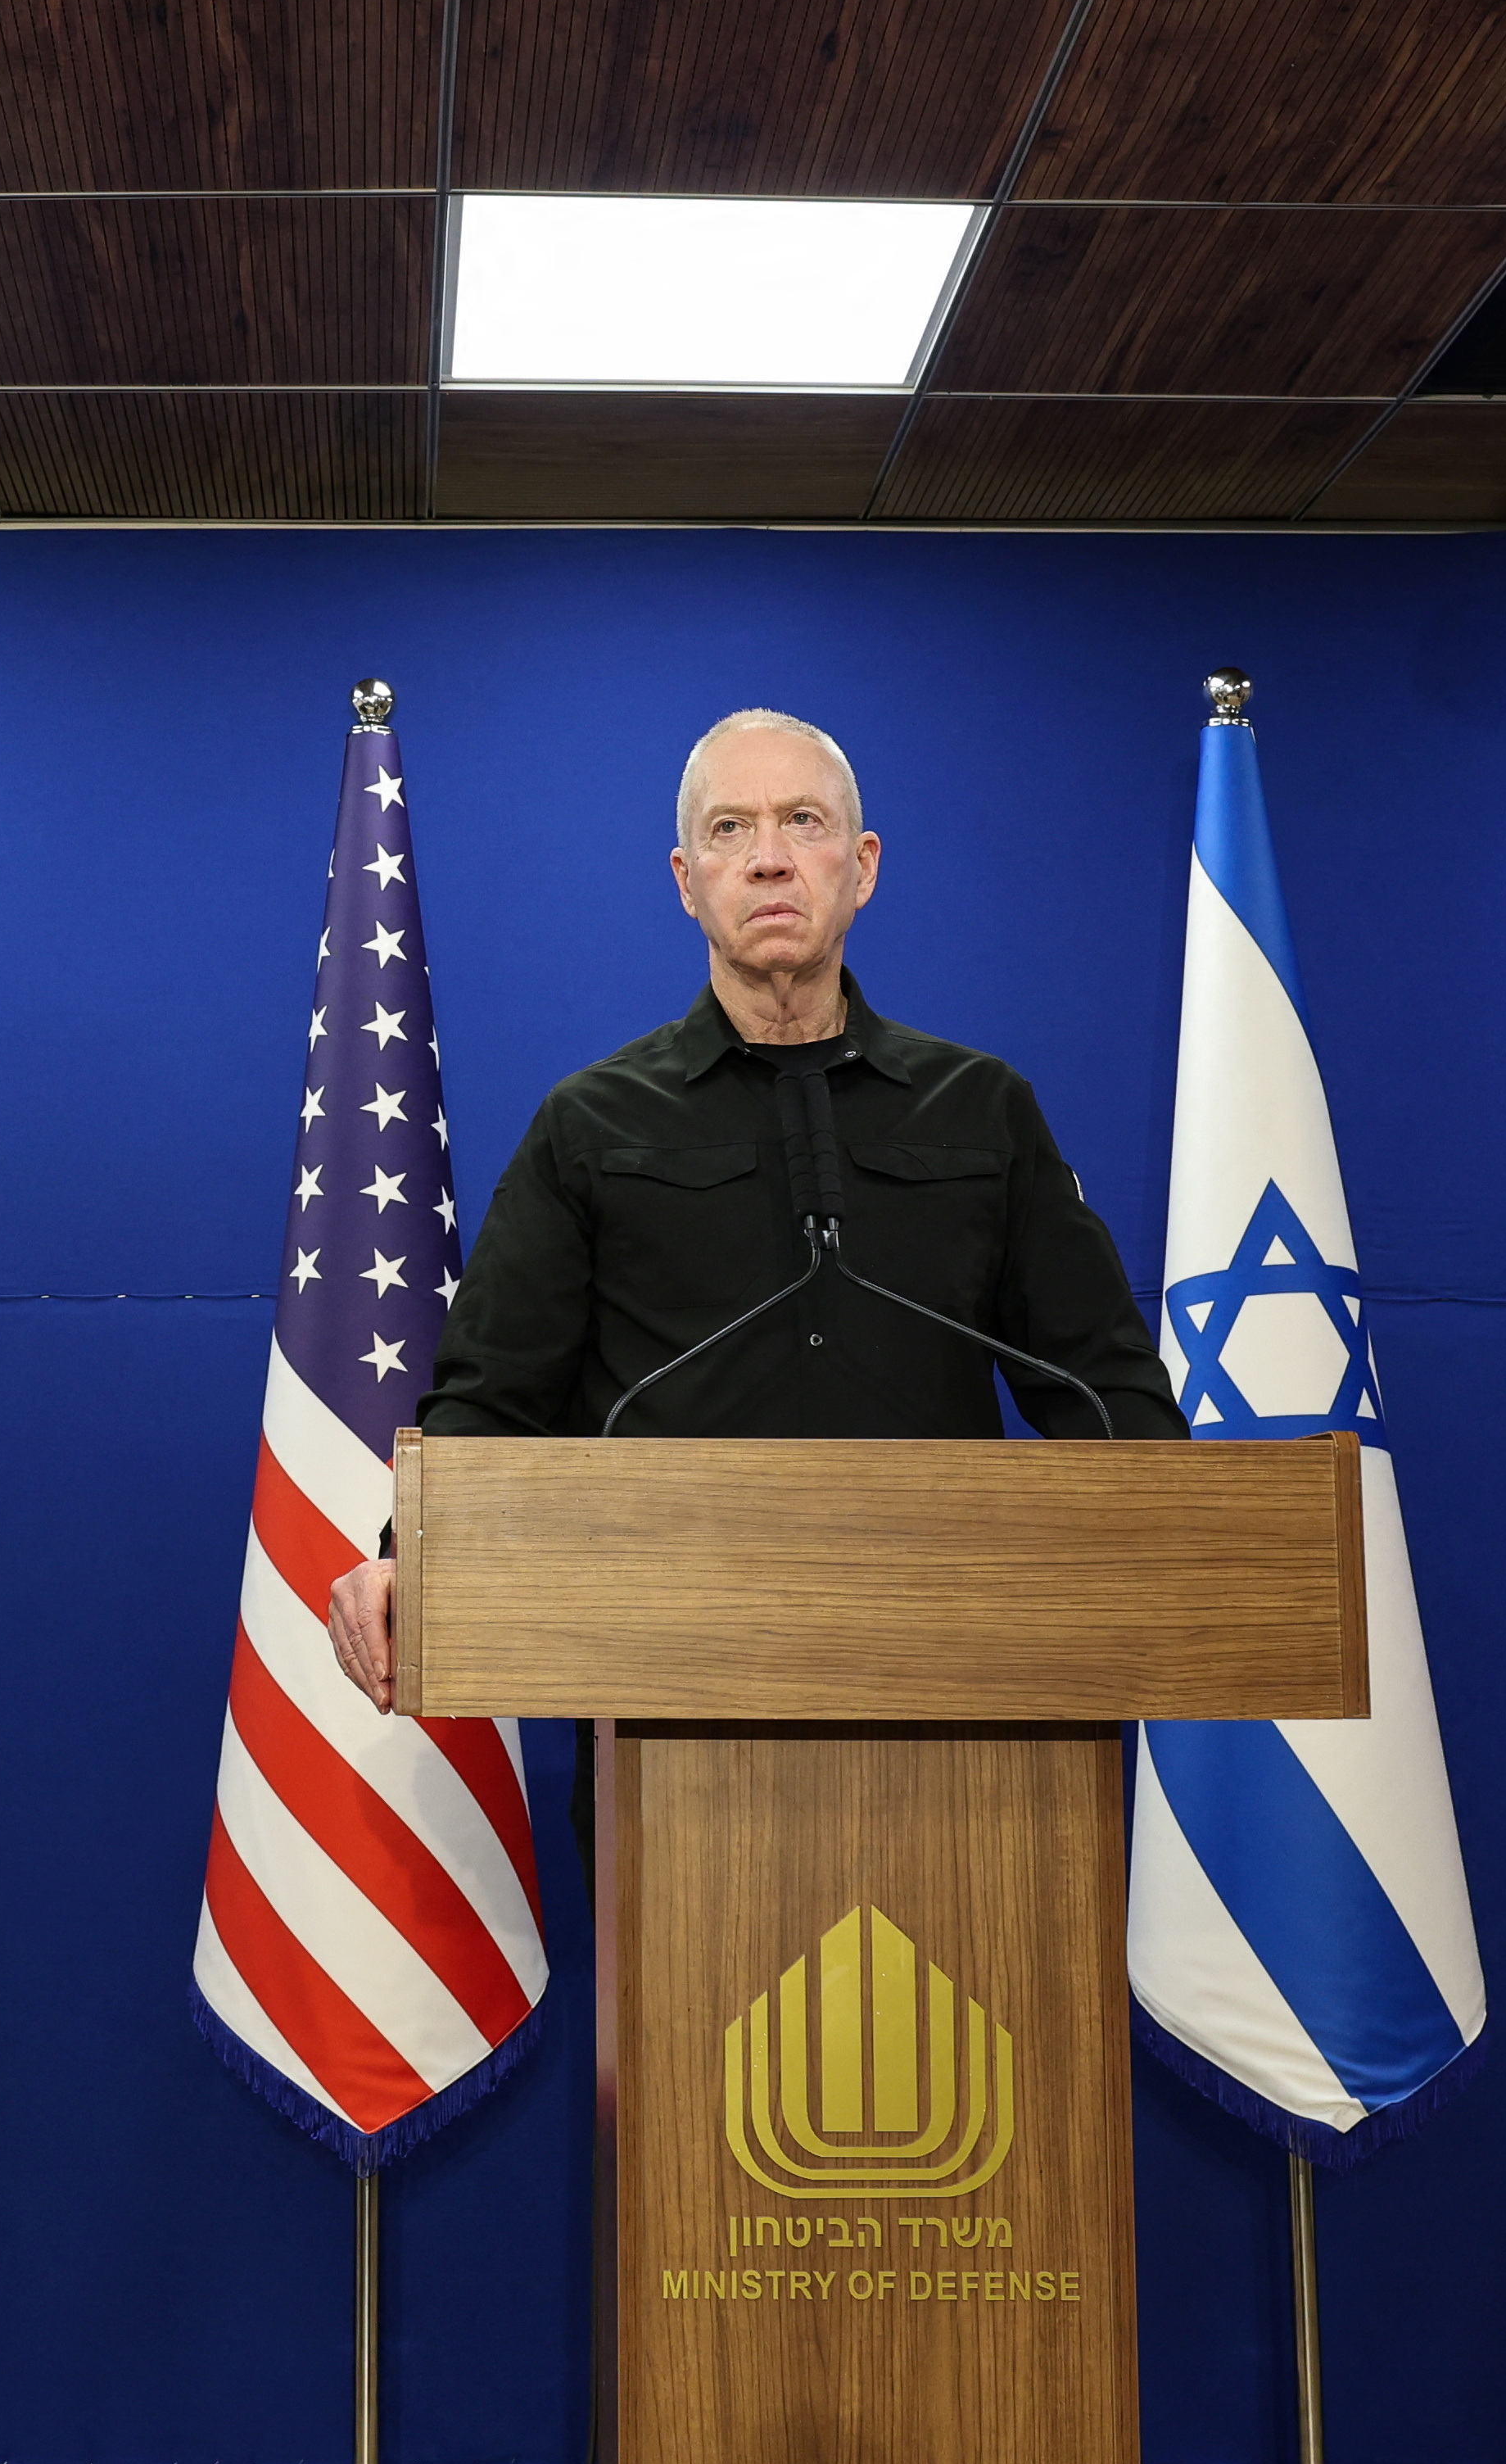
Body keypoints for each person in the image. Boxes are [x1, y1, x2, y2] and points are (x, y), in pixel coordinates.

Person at [323, 706, 1181, 1713]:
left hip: (952, 1677)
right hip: (670, 1683)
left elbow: (1104, 1388)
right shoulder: (589, 1124)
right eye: (730, 829)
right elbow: (490, 1400)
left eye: (804, 822)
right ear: (688, 882)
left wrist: (1182, 1533)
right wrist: (406, 1557)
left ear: (862, 866)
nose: (769, 859)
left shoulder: (983, 1109)